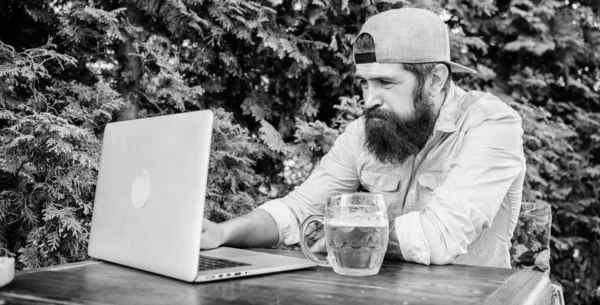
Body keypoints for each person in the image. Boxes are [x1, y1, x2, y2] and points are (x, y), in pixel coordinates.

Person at [201, 7, 526, 268]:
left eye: (386, 83)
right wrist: (226, 231)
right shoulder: (364, 131)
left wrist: (349, 233)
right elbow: (298, 208)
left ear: (436, 80)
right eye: (364, 84)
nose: (369, 100)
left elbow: (440, 237)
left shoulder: (492, 125)